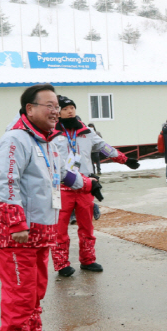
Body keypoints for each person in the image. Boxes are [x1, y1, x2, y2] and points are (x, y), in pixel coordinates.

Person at [0, 84, 85, 331]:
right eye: (49, 105)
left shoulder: (45, 141)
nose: (55, 110)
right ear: (29, 108)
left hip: (41, 232)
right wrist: (16, 223)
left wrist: (86, 183)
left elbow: (61, 173)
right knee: (19, 298)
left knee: (34, 294)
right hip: (18, 234)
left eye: (57, 105)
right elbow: (5, 181)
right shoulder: (15, 139)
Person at [50, 95, 140, 276]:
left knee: (87, 227)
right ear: (58, 111)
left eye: (72, 107)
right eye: (66, 108)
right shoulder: (51, 133)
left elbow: (104, 147)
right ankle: (61, 264)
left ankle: (88, 260)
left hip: (85, 186)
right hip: (61, 187)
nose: (70, 110)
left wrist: (124, 159)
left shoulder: (86, 132)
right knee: (59, 230)